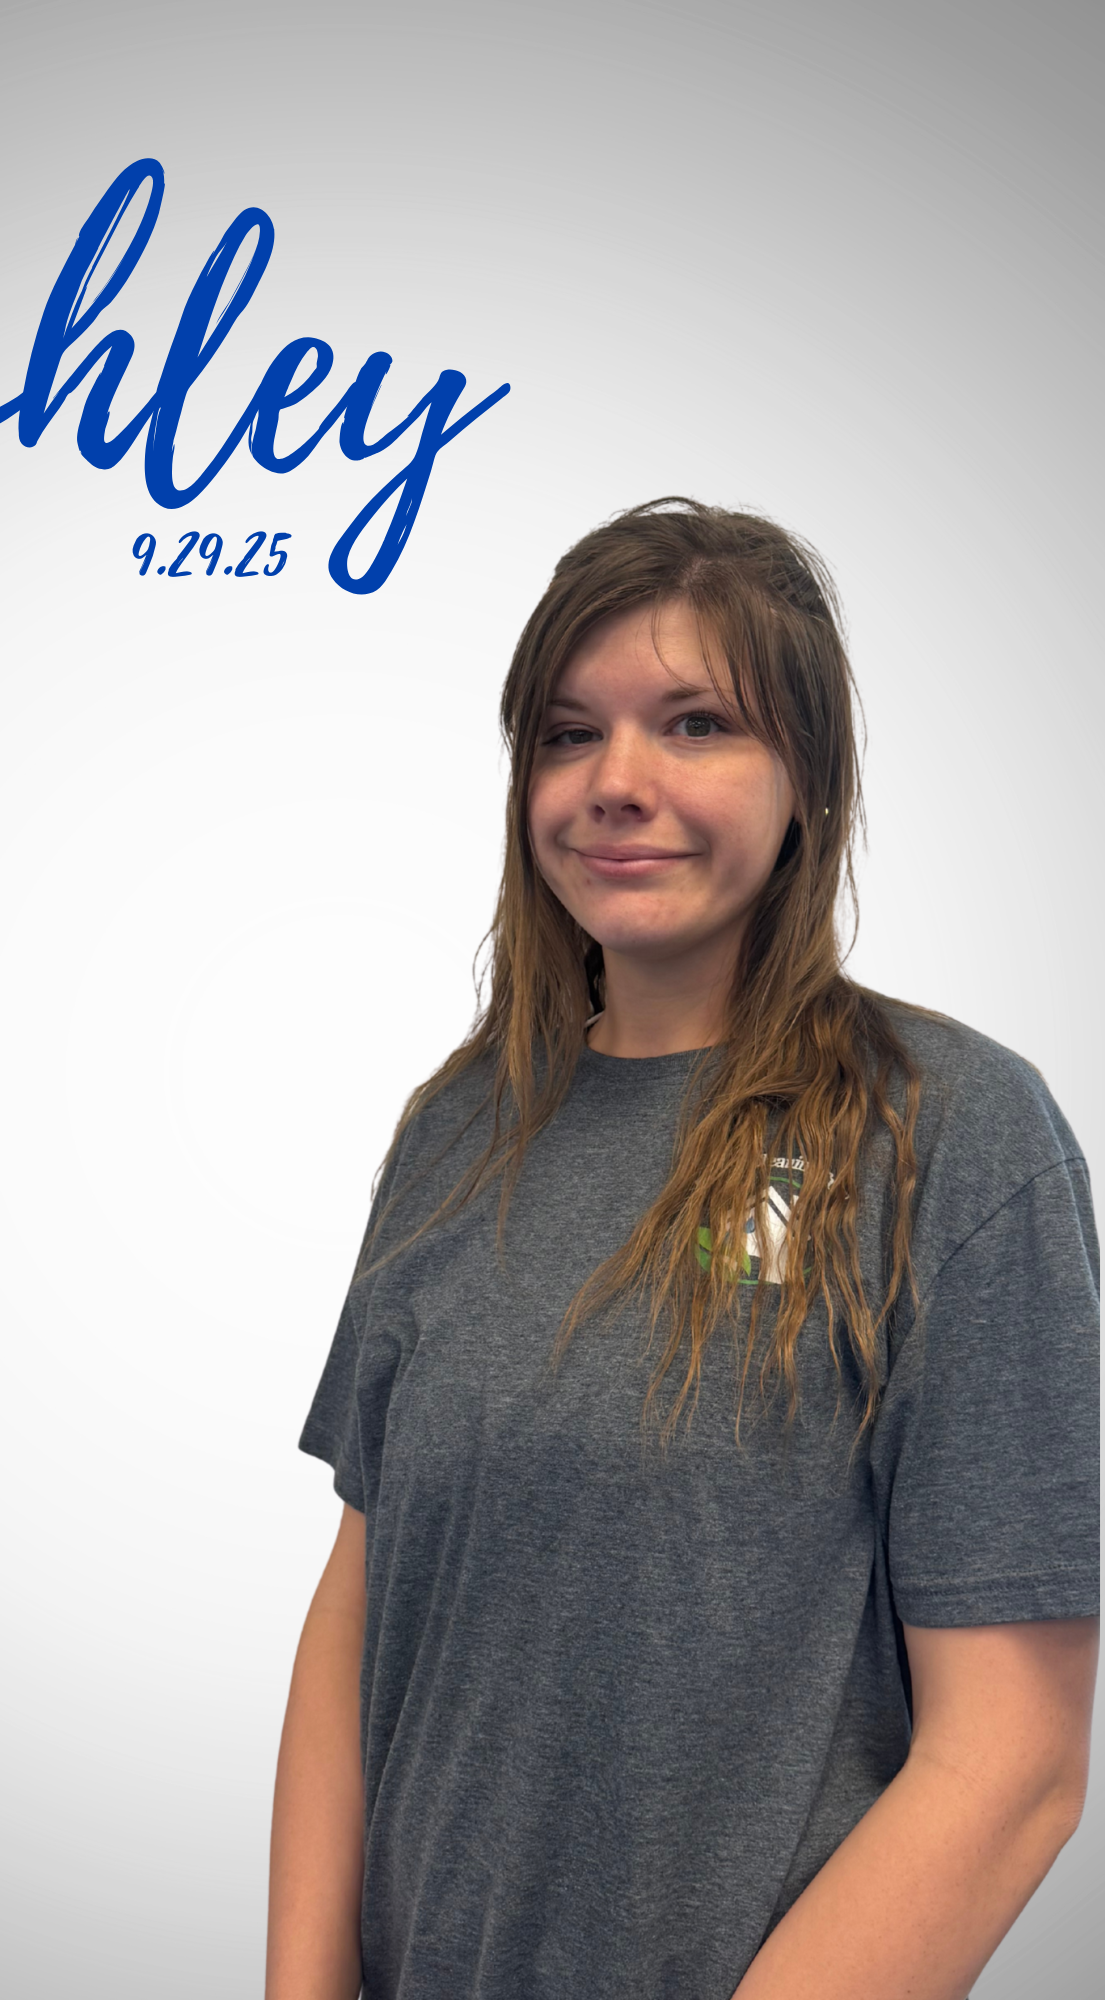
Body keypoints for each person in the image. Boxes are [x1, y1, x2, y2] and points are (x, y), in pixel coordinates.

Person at [264, 498, 1099, 2000]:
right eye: (570, 734)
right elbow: (364, 1594)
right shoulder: (458, 1131)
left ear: (809, 782)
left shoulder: (953, 1137)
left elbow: (1017, 1761)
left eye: (697, 722)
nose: (616, 784)